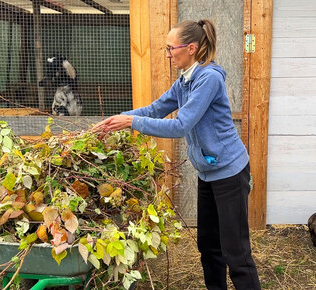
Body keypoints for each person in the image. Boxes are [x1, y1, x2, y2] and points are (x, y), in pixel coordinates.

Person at [94, 19, 261, 290]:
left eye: (171, 49)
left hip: (229, 172)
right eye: (167, 49)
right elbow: (155, 109)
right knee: (208, 245)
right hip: (208, 172)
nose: (168, 54)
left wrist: (131, 124)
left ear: (192, 48)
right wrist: (120, 118)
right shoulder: (184, 81)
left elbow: (181, 125)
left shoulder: (208, 78)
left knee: (236, 252)